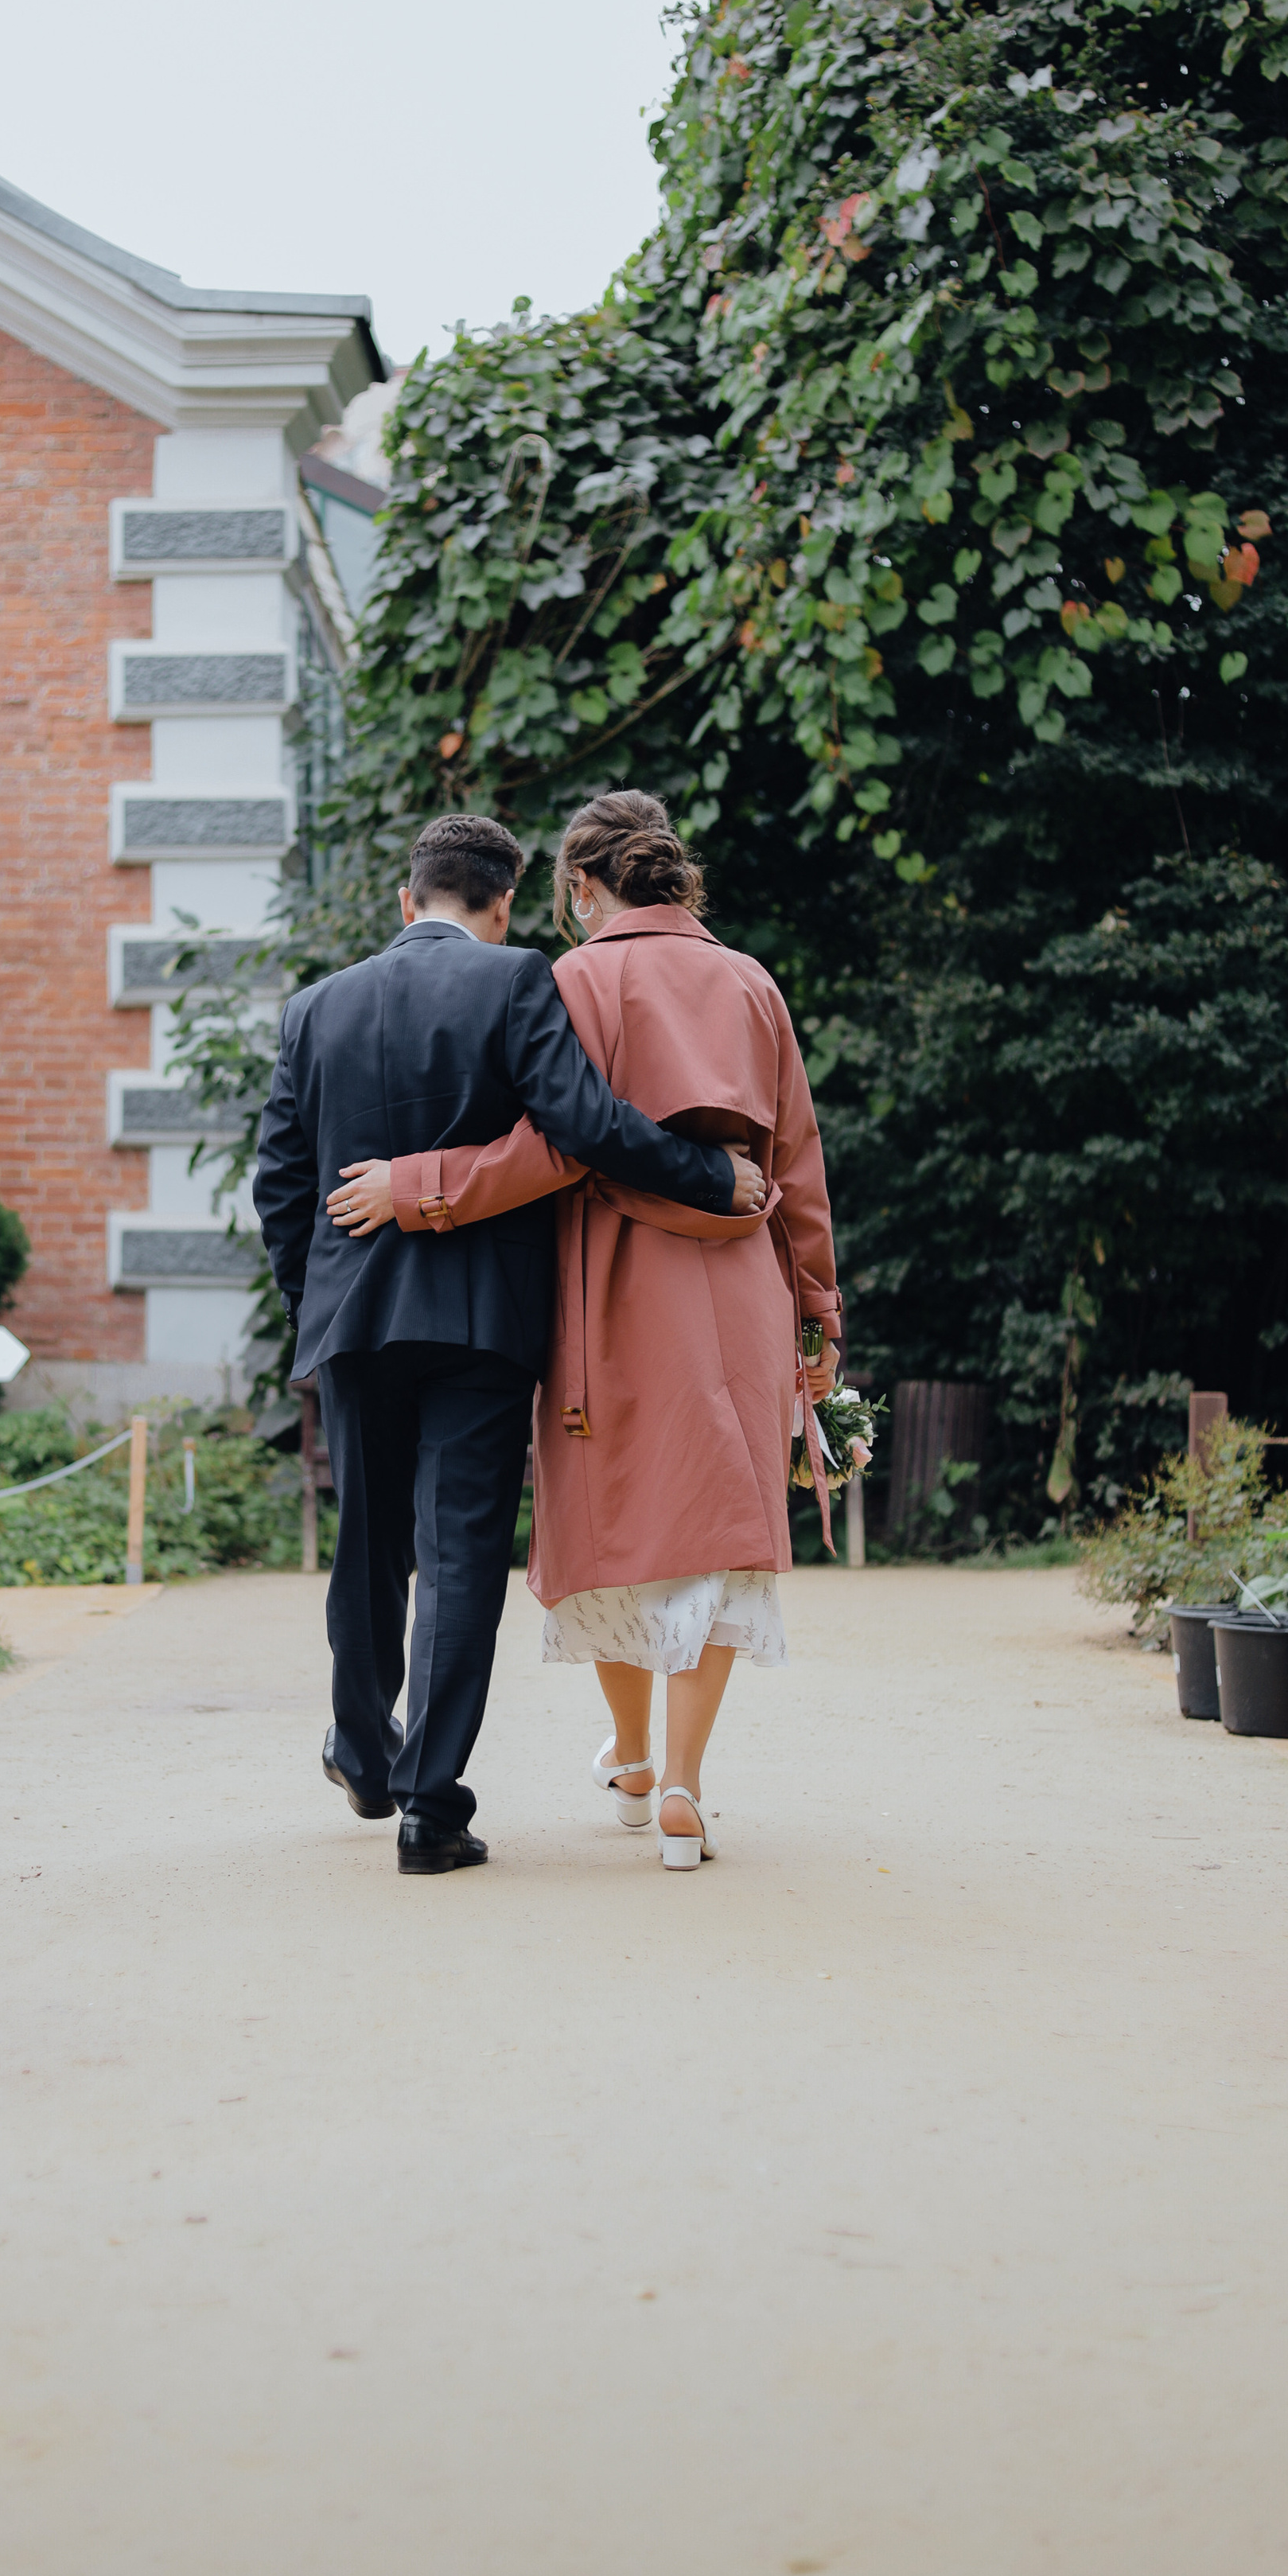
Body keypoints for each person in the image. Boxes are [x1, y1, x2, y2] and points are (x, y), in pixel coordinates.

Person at [329, 790, 839, 1873]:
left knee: (613, 1522)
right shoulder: (752, 982)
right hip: (741, 1279)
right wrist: (820, 1308)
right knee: (723, 1520)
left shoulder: (573, 979)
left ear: (575, 887)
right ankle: (687, 1782)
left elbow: (554, 1148)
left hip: (612, 1279)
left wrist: (415, 1186)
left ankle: (636, 1755)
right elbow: (796, 1161)